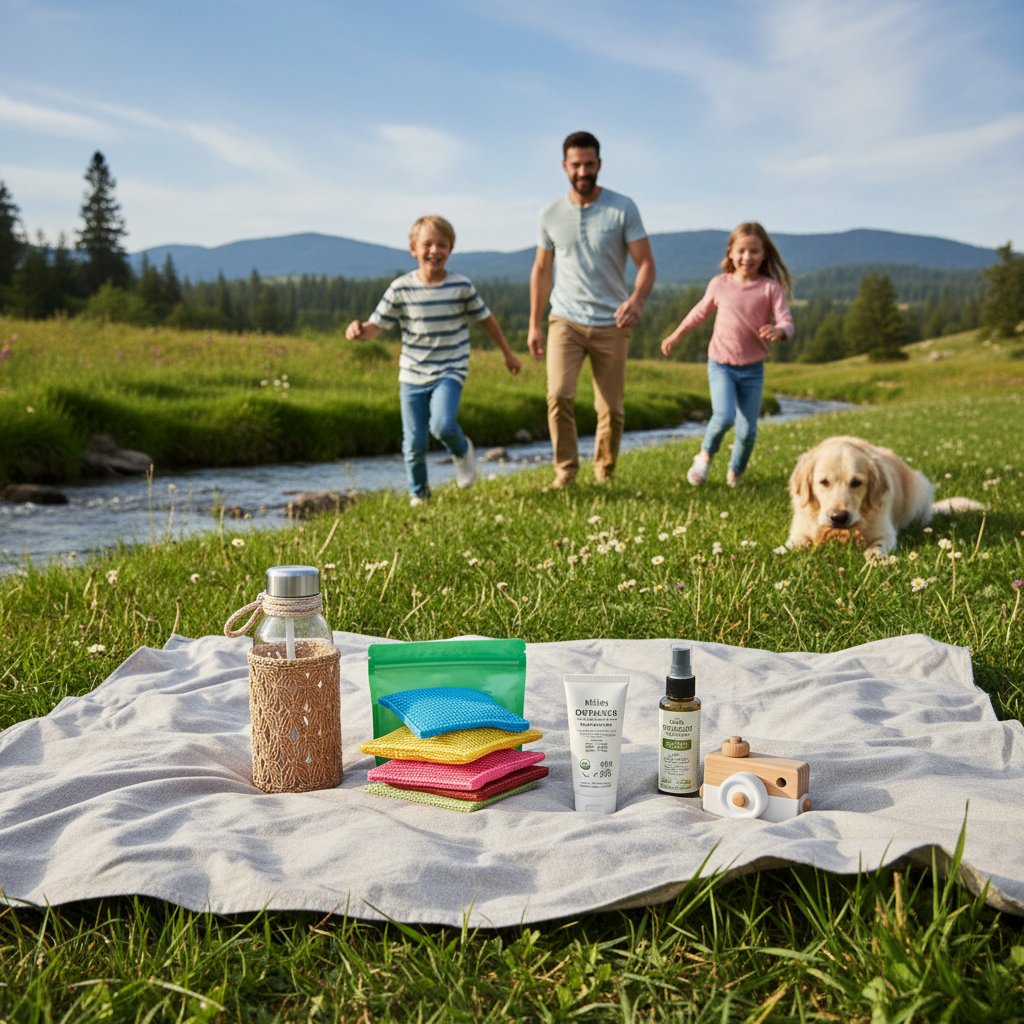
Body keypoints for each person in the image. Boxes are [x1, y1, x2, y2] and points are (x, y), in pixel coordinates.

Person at [346, 215, 521, 505]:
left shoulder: (461, 286)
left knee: (441, 425)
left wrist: (507, 353)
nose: (435, 251)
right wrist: (358, 330)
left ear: (451, 250)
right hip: (412, 374)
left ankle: (462, 450)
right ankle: (419, 496)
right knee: (413, 443)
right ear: (413, 248)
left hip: (450, 369)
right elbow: (376, 326)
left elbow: (486, 321)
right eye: (428, 244)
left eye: (443, 245)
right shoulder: (400, 288)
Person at [527, 131, 656, 488]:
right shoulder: (550, 213)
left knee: (611, 409)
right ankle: (565, 471)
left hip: (611, 322)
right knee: (558, 394)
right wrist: (534, 325)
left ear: (599, 164)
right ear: (564, 166)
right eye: (576, 165)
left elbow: (646, 264)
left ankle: (604, 471)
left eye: (589, 164)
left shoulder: (622, 209)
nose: (582, 172)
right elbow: (541, 269)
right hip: (564, 320)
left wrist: (636, 300)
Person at [661, 221, 793, 488]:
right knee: (723, 417)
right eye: (741, 251)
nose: (747, 257)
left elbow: (786, 321)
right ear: (730, 252)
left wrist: (779, 331)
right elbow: (698, 313)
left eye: (754, 251)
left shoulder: (769, 288)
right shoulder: (719, 284)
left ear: (764, 254)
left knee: (748, 431)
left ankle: (735, 474)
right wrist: (676, 335)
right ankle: (705, 457)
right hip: (721, 364)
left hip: (753, 369)